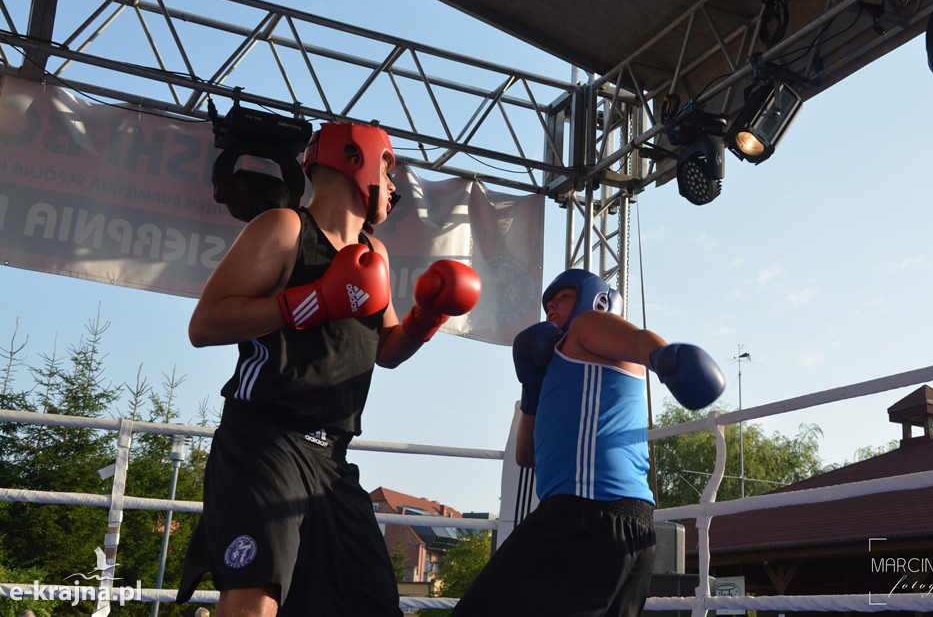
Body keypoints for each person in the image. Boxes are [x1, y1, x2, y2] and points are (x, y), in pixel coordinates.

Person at [175, 121, 482, 617]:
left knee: (370, 600)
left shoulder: (372, 253)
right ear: (357, 159)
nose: (395, 184)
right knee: (257, 593)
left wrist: (428, 318)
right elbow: (205, 324)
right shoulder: (284, 228)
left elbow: (387, 350)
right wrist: (311, 300)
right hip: (264, 439)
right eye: (390, 167)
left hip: (333, 457)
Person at [452, 269, 724, 617]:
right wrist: (532, 389)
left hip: (585, 515)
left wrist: (665, 359)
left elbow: (638, 341)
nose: (551, 306)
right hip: (626, 527)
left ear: (595, 299)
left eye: (561, 297)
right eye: (547, 303)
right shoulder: (564, 363)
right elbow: (526, 456)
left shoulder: (587, 327)